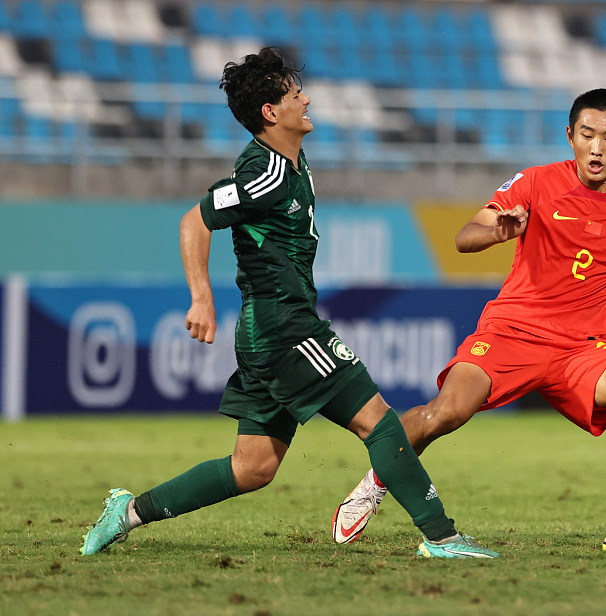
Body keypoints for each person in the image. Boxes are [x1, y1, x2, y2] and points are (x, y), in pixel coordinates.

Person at [80, 47, 497, 560]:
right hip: (283, 327)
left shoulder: (292, 165)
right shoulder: (266, 175)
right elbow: (194, 221)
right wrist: (201, 297)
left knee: (251, 468)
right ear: (271, 113)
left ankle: (127, 513)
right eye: (295, 93)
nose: (307, 99)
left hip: (271, 328)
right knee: (380, 422)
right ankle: (442, 536)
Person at [332, 88, 606, 555]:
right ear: (570, 136)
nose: (597, 148)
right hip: (511, 333)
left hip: (579, 349)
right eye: (587, 135)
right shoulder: (535, 183)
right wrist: (496, 231)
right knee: (444, 413)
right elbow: (463, 237)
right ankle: (375, 481)